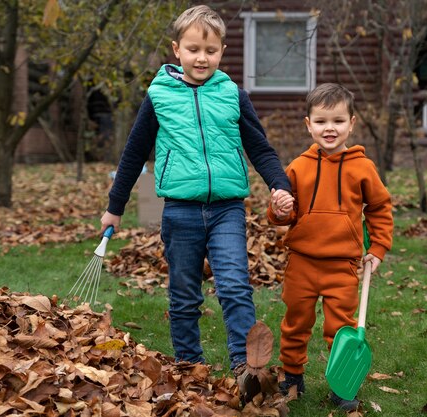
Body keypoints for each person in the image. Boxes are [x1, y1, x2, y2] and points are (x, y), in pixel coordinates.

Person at [99, 4, 292, 402]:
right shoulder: (158, 96)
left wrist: (279, 185)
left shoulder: (233, 95)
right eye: (193, 49)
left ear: (222, 52)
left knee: (236, 285)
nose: (202, 58)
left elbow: (260, 147)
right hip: (180, 211)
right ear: (176, 50)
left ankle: (246, 368)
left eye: (211, 50)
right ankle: (189, 366)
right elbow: (134, 155)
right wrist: (115, 206)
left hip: (227, 208)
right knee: (184, 294)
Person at [268, 83, 393, 412]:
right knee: (296, 321)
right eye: (321, 121)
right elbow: (285, 212)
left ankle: (341, 383)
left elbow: (380, 208)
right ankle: (292, 375)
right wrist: (279, 209)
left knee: (340, 327)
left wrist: (377, 247)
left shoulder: (362, 167)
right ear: (308, 124)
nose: (330, 129)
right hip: (303, 263)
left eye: (338, 121)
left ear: (352, 123)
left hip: (343, 265)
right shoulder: (298, 167)